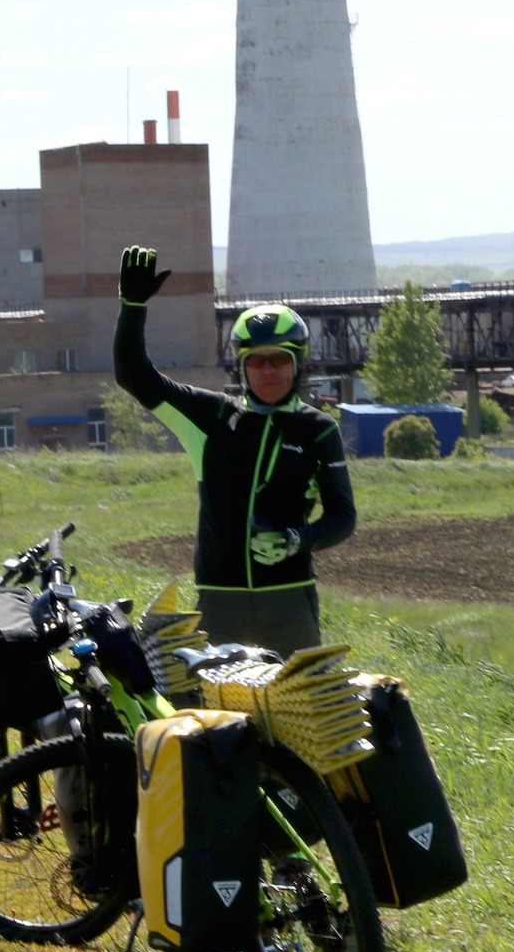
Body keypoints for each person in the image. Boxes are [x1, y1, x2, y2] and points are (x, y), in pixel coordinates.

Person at [114, 245, 354, 653]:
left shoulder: (318, 429)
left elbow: (343, 516)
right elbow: (135, 376)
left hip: (290, 602)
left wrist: (298, 539)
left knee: (299, 715)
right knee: (215, 717)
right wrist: (132, 306)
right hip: (219, 604)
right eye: (256, 361)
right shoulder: (211, 417)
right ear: (242, 366)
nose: (268, 370)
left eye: (279, 359)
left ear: (298, 364)